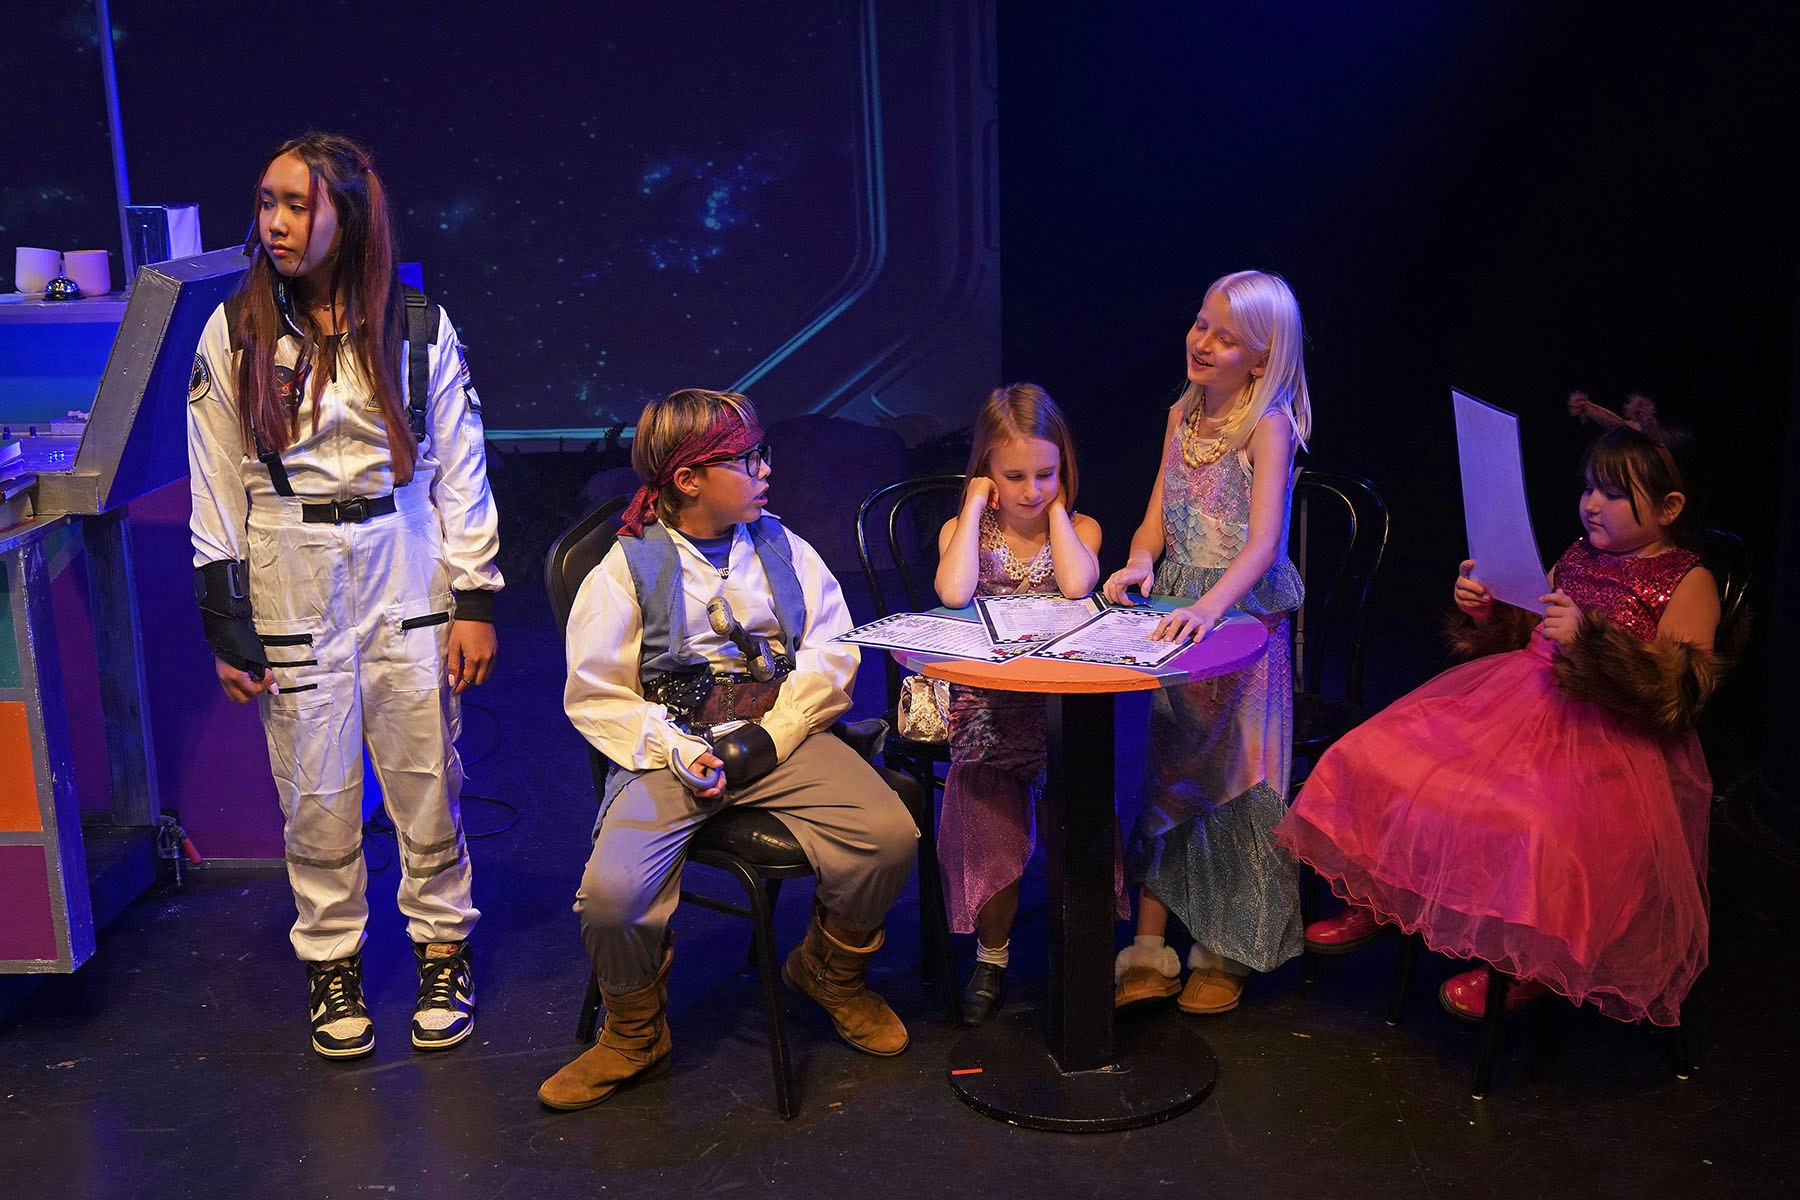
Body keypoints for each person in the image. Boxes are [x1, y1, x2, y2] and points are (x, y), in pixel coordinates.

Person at [188, 133, 501, 1059]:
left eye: (297, 205)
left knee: (424, 778)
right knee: (315, 791)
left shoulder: (416, 327)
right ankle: (333, 961)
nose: (275, 224)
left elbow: (459, 469)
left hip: (403, 554)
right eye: (266, 202)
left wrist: (475, 598)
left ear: (347, 216)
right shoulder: (236, 331)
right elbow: (217, 482)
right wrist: (226, 621)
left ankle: (443, 946)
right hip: (292, 561)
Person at [1277, 398, 1723, 1026]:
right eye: (1589, 489)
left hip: (1608, 735)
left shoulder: (1686, 579)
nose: (1592, 505)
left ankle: (1527, 961)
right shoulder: (1580, 553)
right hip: (1516, 698)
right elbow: (1528, 627)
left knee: (1529, 820)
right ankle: (1381, 895)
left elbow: (1681, 691)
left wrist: (1592, 643)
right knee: (1377, 755)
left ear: (1669, 509)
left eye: (1615, 495)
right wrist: (1489, 609)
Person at [537, 388, 919, 1112]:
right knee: (613, 899)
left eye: (762, 453)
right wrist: (675, 749)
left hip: (780, 737)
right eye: (747, 459)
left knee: (888, 835)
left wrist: (773, 734)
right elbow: (599, 693)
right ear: (688, 479)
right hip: (676, 750)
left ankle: (828, 972)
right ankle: (634, 1033)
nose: (766, 469)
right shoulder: (625, 570)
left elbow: (832, 653)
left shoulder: (782, 546)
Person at [1101, 269, 1313, 1015]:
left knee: (1236, 777)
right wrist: (1138, 560)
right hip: (1179, 612)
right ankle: (1150, 945)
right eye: (1201, 323)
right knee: (1173, 768)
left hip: (1241, 618)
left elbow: (1262, 544)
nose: (1204, 341)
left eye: (1226, 336)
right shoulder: (1181, 411)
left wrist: (1210, 609)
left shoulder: (1268, 421)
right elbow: (1158, 513)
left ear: (1259, 358)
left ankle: (1227, 949)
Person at [932, 383, 1118, 1025]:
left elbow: (1076, 585)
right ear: (987, 471)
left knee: (1081, 807)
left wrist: (1061, 515)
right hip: (986, 706)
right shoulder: (966, 531)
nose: (1032, 490)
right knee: (991, 826)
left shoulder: (1081, 527)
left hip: (1059, 706)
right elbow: (954, 593)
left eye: (1047, 473)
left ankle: (1085, 943)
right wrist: (972, 502)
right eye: (1014, 476)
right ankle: (993, 953)